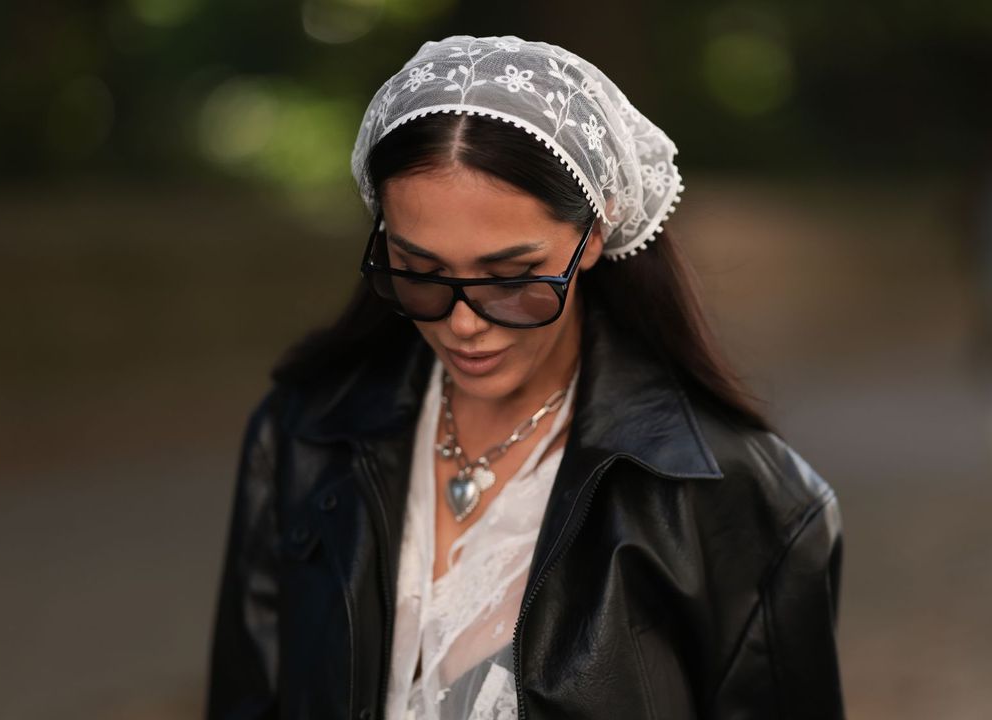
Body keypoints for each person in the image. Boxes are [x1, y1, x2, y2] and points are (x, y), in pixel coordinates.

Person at [206, 35, 844, 720]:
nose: (464, 324)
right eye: (419, 273)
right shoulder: (301, 437)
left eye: (512, 279)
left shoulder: (734, 498)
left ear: (593, 236)